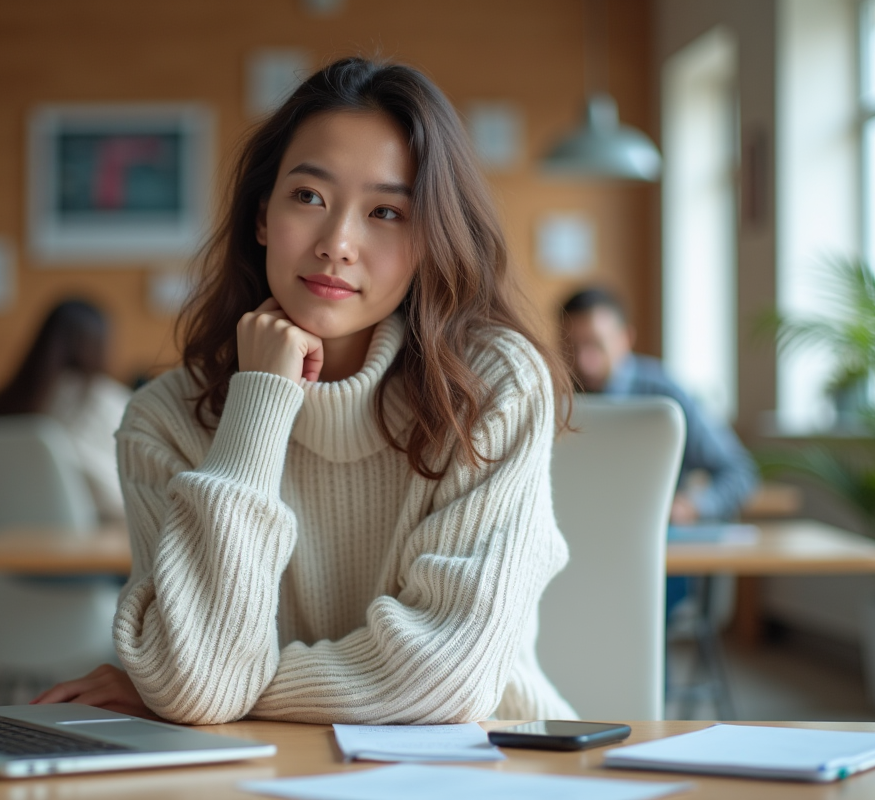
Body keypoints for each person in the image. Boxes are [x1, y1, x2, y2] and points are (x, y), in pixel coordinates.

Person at [33, 57, 575, 725]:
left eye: (385, 211)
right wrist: (258, 401)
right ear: (262, 216)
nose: (337, 243)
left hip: (484, 771)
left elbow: (448, 681)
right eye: (309, 198)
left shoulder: (492, 387)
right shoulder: (163, 419)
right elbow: (199, 685)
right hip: (251, 778)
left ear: (430, 241)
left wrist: (218, 690)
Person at [559, 287, 758, 525]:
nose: (584, 362)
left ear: (626, 339)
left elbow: (738, 471)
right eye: (571, 347)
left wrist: (692, 506)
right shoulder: (551, 397)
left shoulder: (666, 394)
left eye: (596, 345)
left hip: (658, 537)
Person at [0, 298, 132, 523]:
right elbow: (121, 500)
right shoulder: (104, 401)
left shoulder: (2, 401)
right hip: (81, 546)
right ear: (100, 344)